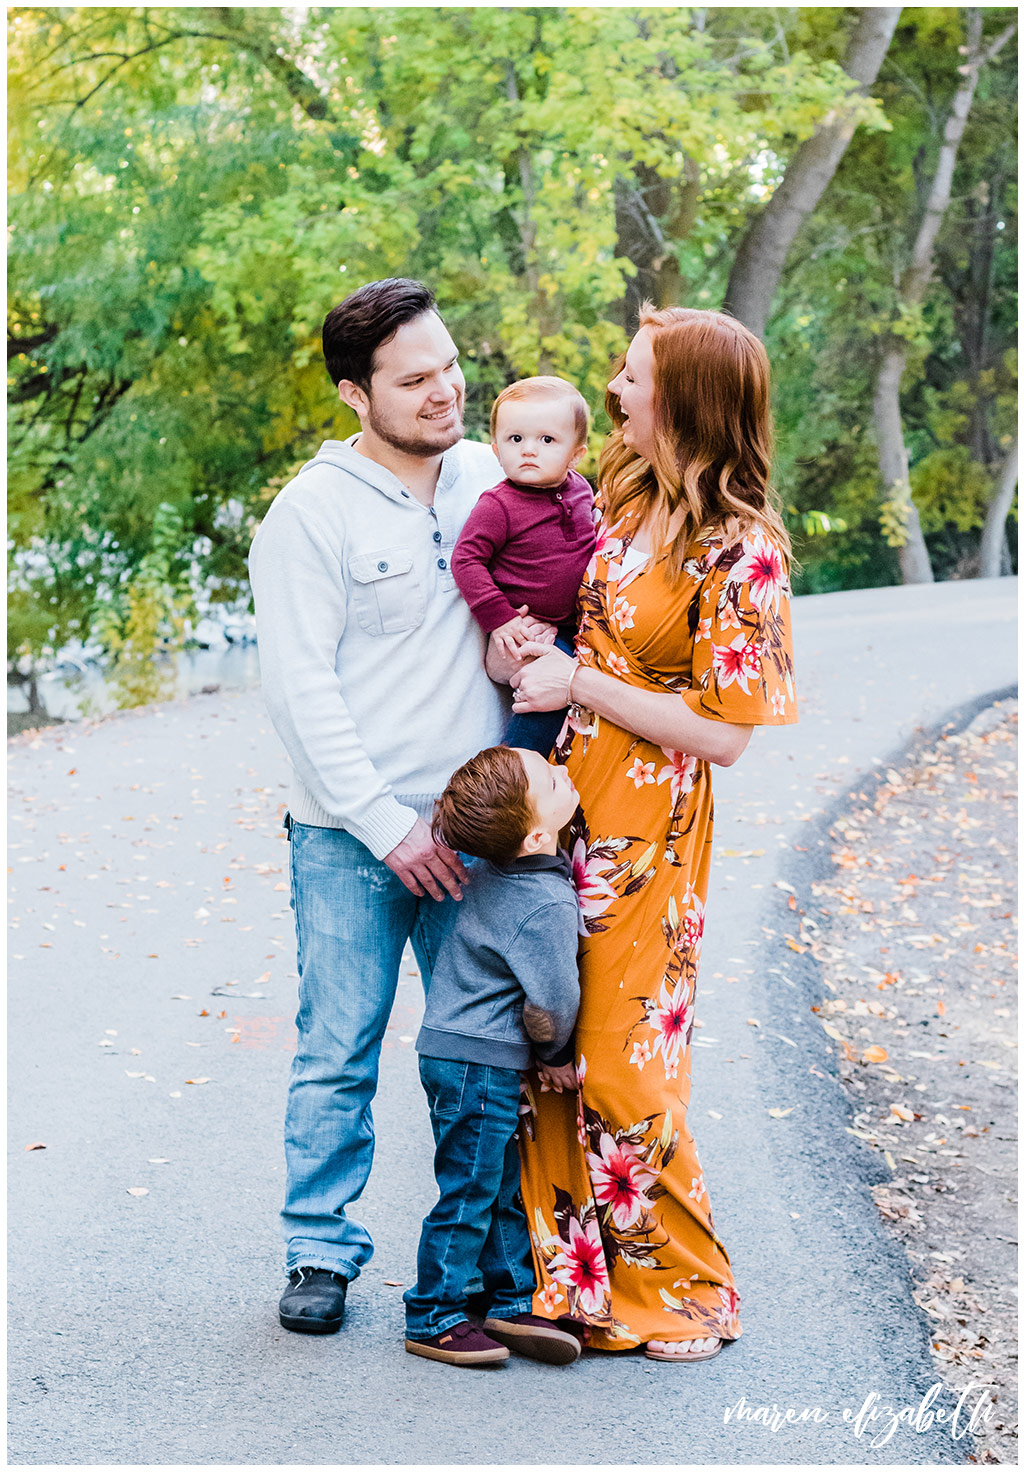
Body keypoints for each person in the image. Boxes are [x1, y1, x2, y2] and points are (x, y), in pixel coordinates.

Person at [491, 305, 798, 1363]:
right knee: (557, 1048)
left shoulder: (740, 548)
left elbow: (725, 732)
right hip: (569, 805)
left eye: (629, 378)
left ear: (685, 400)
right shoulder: (625, 497)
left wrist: (583, 679)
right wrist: (538, 645)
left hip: (652, 825)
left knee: (626, 1066)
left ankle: (694, 1288)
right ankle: (576, 1282)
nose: (613, 392)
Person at [249, 278, 526, 1335]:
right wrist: (384, 821)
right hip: (349, 836)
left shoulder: (495, 479)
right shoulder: (307, 515)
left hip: (484, 826)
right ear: (353, 394)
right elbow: (300, 691)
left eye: (450, 365)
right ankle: (319, 1248)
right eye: (414, 380)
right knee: (339, 1044)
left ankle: (494, 1261)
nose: (445, 391)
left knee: (480, 1052)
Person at [403, 744, 582, 1368]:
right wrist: (556, 1052)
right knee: (471, 1187)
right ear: (536, 833)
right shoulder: (547, 903)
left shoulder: (489, 869)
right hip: (481, 1062)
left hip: (456, 1054)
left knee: (498, 1178)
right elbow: (554, 999)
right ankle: (434, 1313)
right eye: (552, 781)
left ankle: (509, 1301)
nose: (565, 773)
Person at [452, 377, 597, 756]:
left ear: (576, 454)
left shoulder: (582, 490)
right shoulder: (498, 505)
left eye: (547, 441)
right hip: (527, 630)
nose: (529, 450)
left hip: (577, 626)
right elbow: (466, 559)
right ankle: (516, 774)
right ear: (496, 450)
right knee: (542, 707)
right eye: (516, 440)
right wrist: (500, 619)